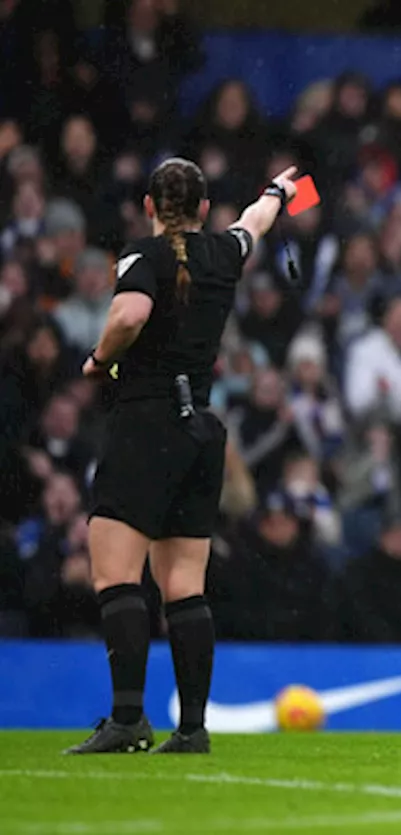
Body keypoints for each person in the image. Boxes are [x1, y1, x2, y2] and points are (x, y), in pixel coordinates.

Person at [65, 157, 301, 755]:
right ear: (202, 209)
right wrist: (278, 189)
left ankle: (127, 719)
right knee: (184, 587)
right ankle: (192, 728)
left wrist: (98, 360)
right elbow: (257, 220)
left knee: (117, 575)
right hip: (200, 427)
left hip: (144, 422)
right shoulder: (225, 252)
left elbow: (130, 313)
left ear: (148, 207)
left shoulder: (142, 258)